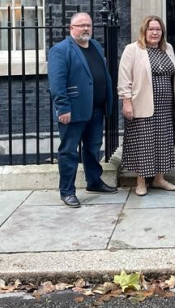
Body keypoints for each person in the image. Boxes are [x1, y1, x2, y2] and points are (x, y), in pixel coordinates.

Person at [48, 12, 117, 208]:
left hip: (96, 108)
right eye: (81, 25)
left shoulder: (95, 45)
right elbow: (57, 83)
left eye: (88, 25)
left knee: (93, 148)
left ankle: (94, 182)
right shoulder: (60, 50)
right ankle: (67, 191)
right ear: (71, 28)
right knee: (69, 151)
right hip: (73, 110)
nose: (85, 28)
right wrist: (63, 108)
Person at [118, 15, 175, 196]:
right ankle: (141, 182)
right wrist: (126, 101)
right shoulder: (133, 49)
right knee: (143, 143)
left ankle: (159, 179)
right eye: (151, 29)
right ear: (144, 31)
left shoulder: (168, 48)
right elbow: (124, 78)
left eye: (158, 29)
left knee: (162, 141)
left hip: (164, 106)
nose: (155, 32)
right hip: (142, 103)